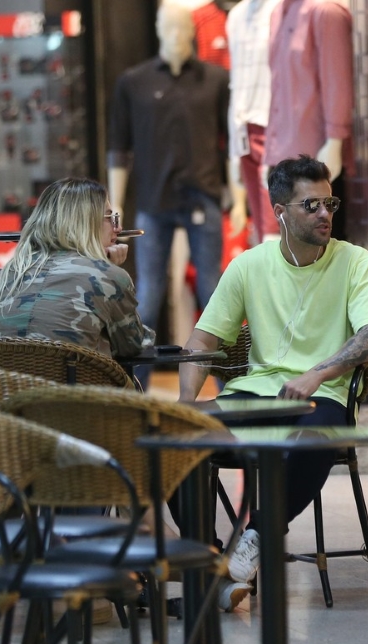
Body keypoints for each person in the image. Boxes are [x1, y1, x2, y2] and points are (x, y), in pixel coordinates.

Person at [179, 154, 368, 610]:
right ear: (279, 210)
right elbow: (202, 338)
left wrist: (317, 373)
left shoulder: (355, 262)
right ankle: (208, 560)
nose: (324, 214)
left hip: (324, 395)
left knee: (314, 439)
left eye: (329, 203)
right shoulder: (248, 266)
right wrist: (183, 403)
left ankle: (256, 536)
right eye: (310, 205)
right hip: (252, 395)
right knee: (176, 436)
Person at [107, 2, 236, 389]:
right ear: (158, 29)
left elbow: (228, 143)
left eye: (183, 27)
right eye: (169, 27)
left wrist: (238, 194)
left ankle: (229, 379)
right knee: (148, 293)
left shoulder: (215, 80)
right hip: (153, 202)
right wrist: (112, 203)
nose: (177, 35)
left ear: (193, 31)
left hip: (204, 197)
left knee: (213, 291)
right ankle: (136, 384)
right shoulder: (134, 82)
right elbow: (119, 147)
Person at [0, 177, 153, 359]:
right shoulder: (109, 276)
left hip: (2, 384)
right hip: (68, 384)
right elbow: (133, 346)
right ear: (85, 223)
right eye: (110, 217)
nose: (118, 228)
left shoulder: (14, 269)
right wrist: (108, 268)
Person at [265, 0, 353, 240]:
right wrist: (270, 154)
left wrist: (335, 140)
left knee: (324, 252)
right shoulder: (277, 14)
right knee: (291, 254)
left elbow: (337, 80)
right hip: (284, 159)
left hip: (319, 161)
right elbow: (278, 87)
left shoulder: (326, 13)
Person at [226, 0, 279, 242]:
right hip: (244, 130)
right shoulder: (236, 16)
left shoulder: (282, 9)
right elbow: (236, 81)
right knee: (261, 232)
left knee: (275, 232)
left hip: (274, 127)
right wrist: (235, 151)